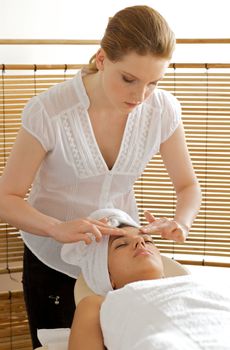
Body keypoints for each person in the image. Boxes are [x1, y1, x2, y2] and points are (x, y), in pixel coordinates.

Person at [0, 4, 201, 348]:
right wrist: (55, 228)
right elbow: (6, 198)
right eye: (129, 79)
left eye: (154, 82)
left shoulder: (163, 110)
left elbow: (187, 186)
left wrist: (181, 222)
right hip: (52, 254)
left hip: (121, 263)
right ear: (101, 58)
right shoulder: (50, 111)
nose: (140, 97)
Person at [63, 210, 230, 350]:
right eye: (121, 245)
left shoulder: (198, 285)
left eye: (148, 241)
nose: (140, 240)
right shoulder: (97, 304)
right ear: (107, 276)